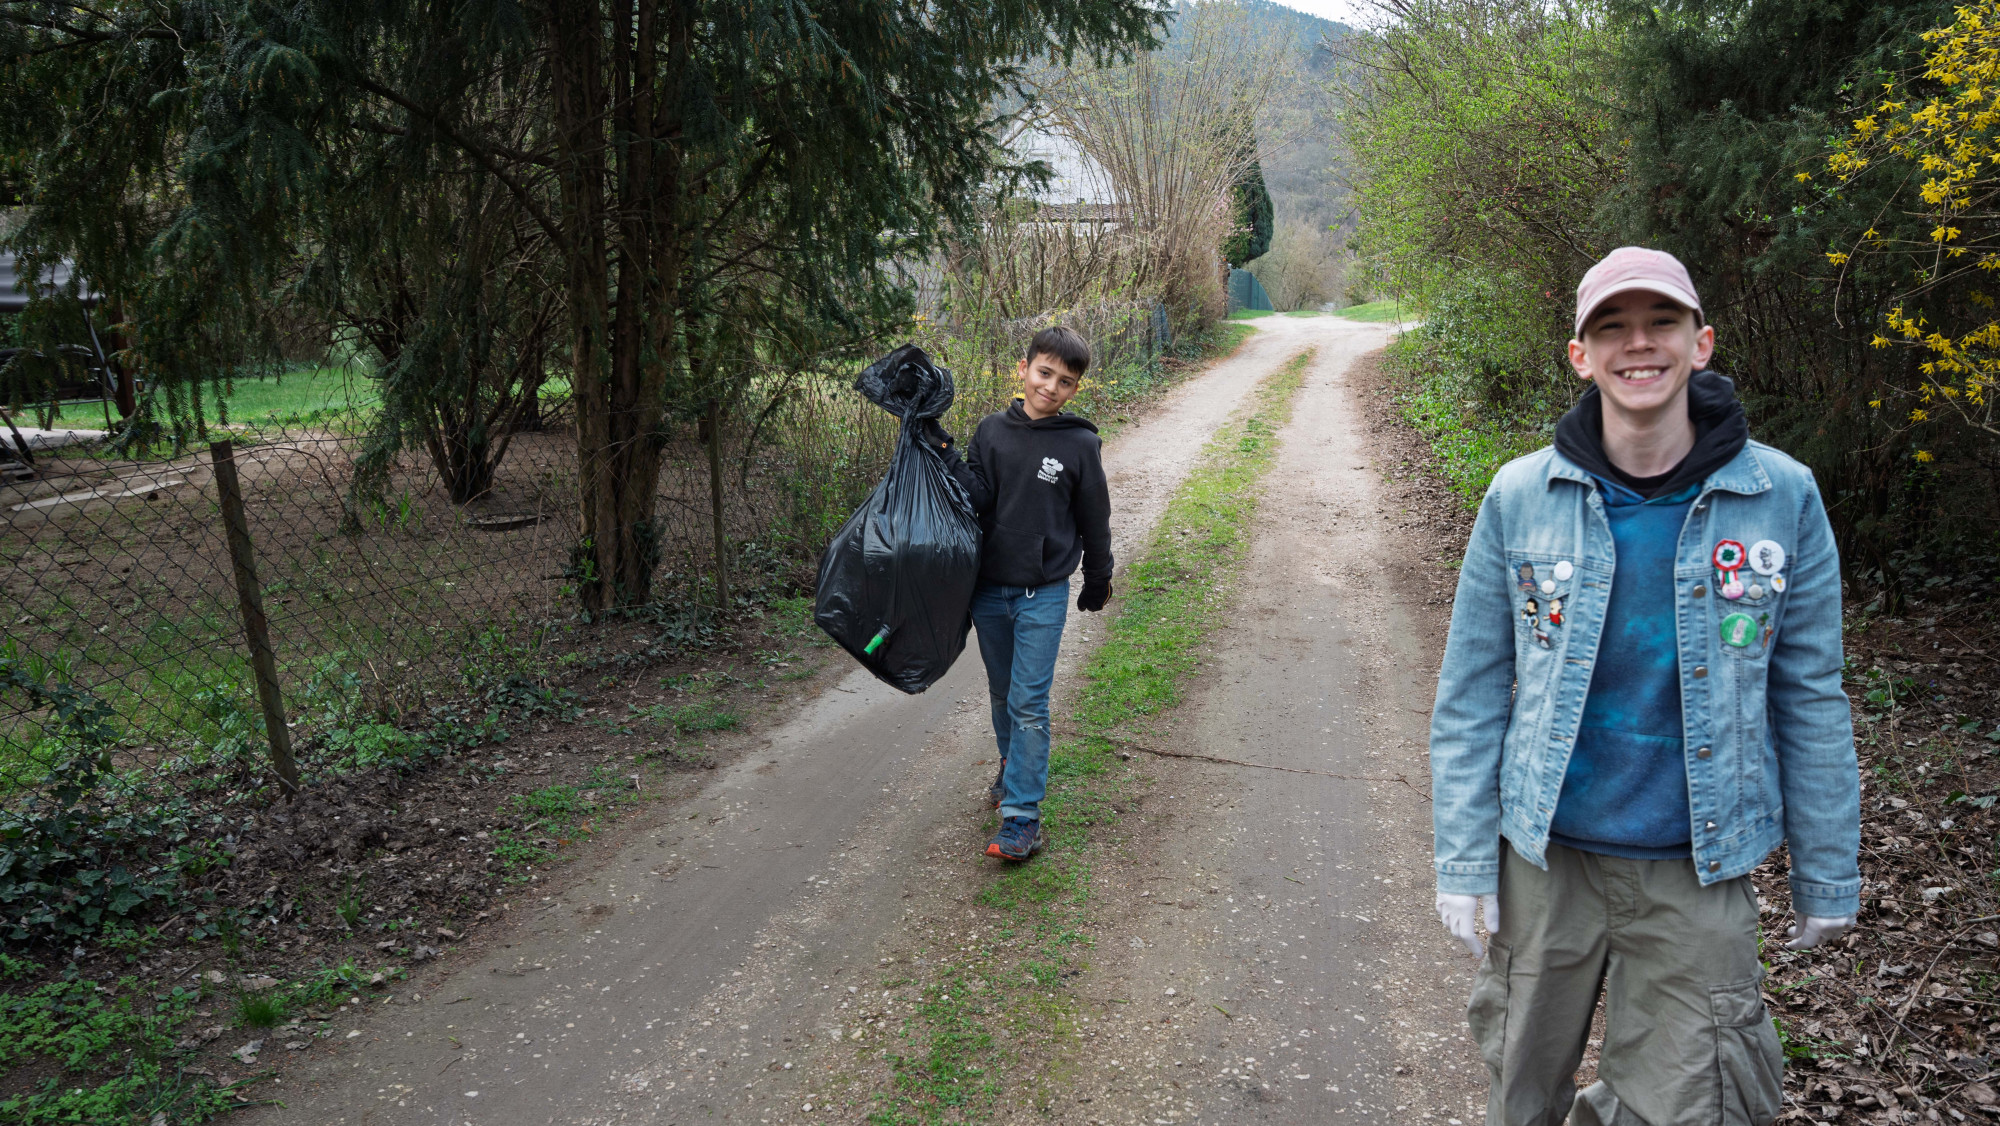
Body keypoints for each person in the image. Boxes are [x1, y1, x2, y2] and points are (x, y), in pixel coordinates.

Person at [1427, 247, 1861, 1125]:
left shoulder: (1782, 496)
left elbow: (1810, 693)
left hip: (1697, 867)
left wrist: (1827, 870)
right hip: (1544, 863)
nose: (1639, 344)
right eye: (1612, 327)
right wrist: (1465, 862)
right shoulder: (1521, 495)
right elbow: (1471, 693)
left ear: (1701, 343)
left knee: (1698, 1101)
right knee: (1520, 1090)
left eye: (1661, 322)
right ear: (1580, 356)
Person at [929, 325, 1114, 861]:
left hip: (1043, 594)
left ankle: (1022, 818)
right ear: (1024, 369)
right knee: (1002, 693)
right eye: (1044, 373)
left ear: (1076, 388)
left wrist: (1098, 577)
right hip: (989, 591)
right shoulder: (991, 431)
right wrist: (943, 448)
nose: (1051, 387)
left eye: (1065, 381)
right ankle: (1012, 764)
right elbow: (976, 497)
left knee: (1029, 702)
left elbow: (1095, 519)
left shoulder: (1080, 445)